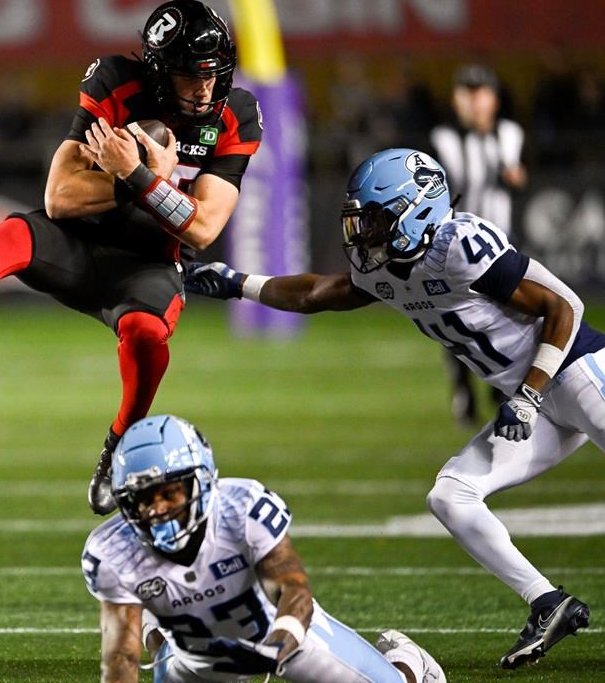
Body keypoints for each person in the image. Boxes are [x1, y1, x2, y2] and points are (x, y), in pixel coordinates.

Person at [184, 148, 595, 669]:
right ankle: (547, 602)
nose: (364, 235)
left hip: (576, 370)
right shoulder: (392, 265)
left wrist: (532, 392)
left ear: (418, 209)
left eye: (375, 220)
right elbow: (319, 293)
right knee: (451, 496)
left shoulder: (458, 244)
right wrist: (238, 284)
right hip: (529, 400)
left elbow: (565, 308)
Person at [0, 0, 261, 516]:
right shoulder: (116, 83)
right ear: (159, 72)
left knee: (148, 336)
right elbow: (59, 197)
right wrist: (135, 183)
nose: (205, 88)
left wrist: (141, 176)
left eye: (213, 75)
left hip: (146, 264)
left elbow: (205, 227)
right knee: (13, 235)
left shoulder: (239, 113)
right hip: (78, 245)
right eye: (191, 76)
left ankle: (117, 445)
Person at [82, 414, 445, 683]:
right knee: (162, 632)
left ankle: (408, 663)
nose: (158, 509)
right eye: (145, 500)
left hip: (280, 630)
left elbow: (293, 589)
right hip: (194, 655)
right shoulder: (113, 551)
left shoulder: (241, 507)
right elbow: (121, 656)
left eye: (168, 493)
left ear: (201, 483)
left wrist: (277, 646)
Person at [430, 64, 527, 425]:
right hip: (453, 245)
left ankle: (501, 387)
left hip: (500, 242)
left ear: (494, 99)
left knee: (508, 317)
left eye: (480, 92)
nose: (473, 101)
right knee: (454, 317)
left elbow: (519, 179)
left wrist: (514, 175)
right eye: (466, 93)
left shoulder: (509, 133)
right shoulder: (442, 138)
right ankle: (463, 390)